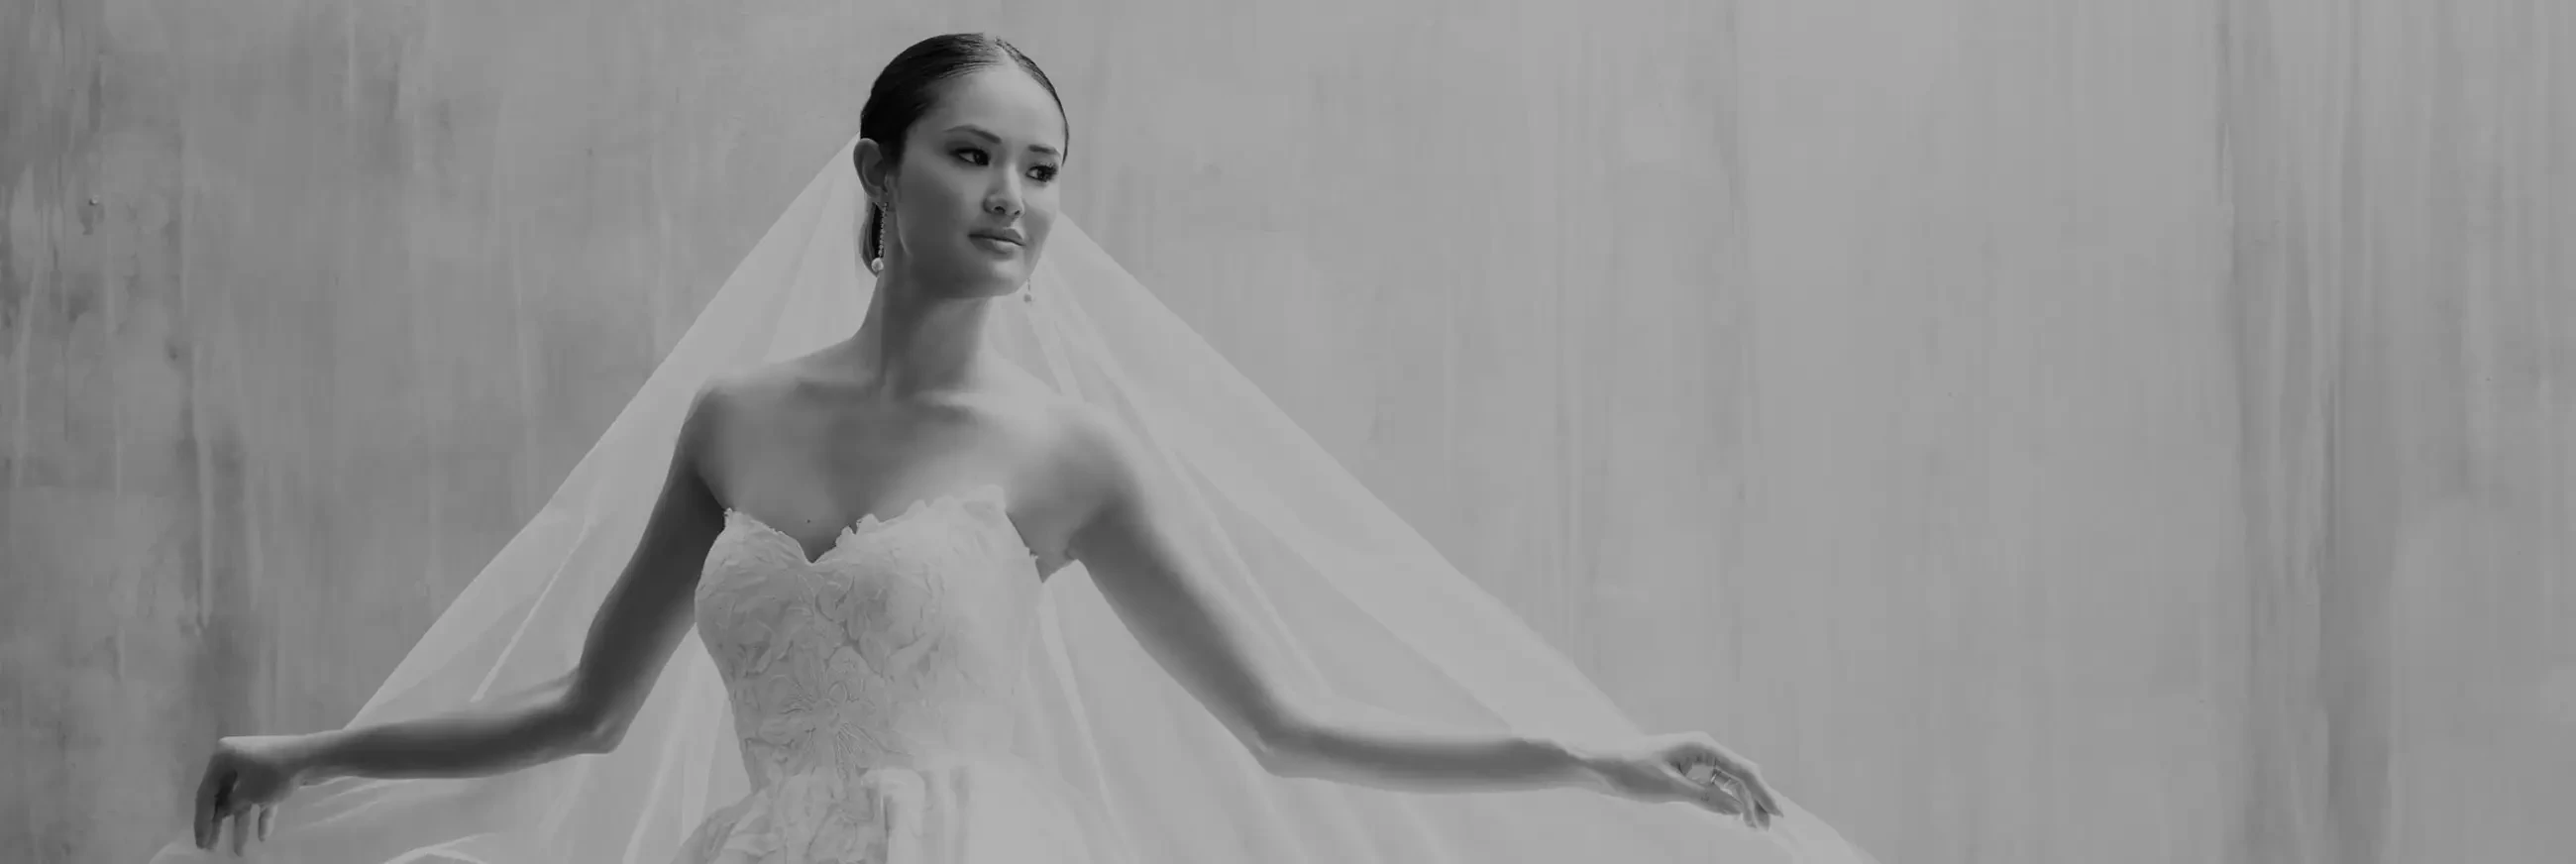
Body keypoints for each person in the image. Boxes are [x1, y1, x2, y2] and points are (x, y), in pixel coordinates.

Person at [159, 33, 1880, 864]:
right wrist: (313, 749)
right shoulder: (736, 420)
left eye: (1044, 169)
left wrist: (1595, 754)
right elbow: (582, 712)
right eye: (976, 156)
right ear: (877, 172)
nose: (1015, 199)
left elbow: (1287, 723)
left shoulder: (1069, 454)